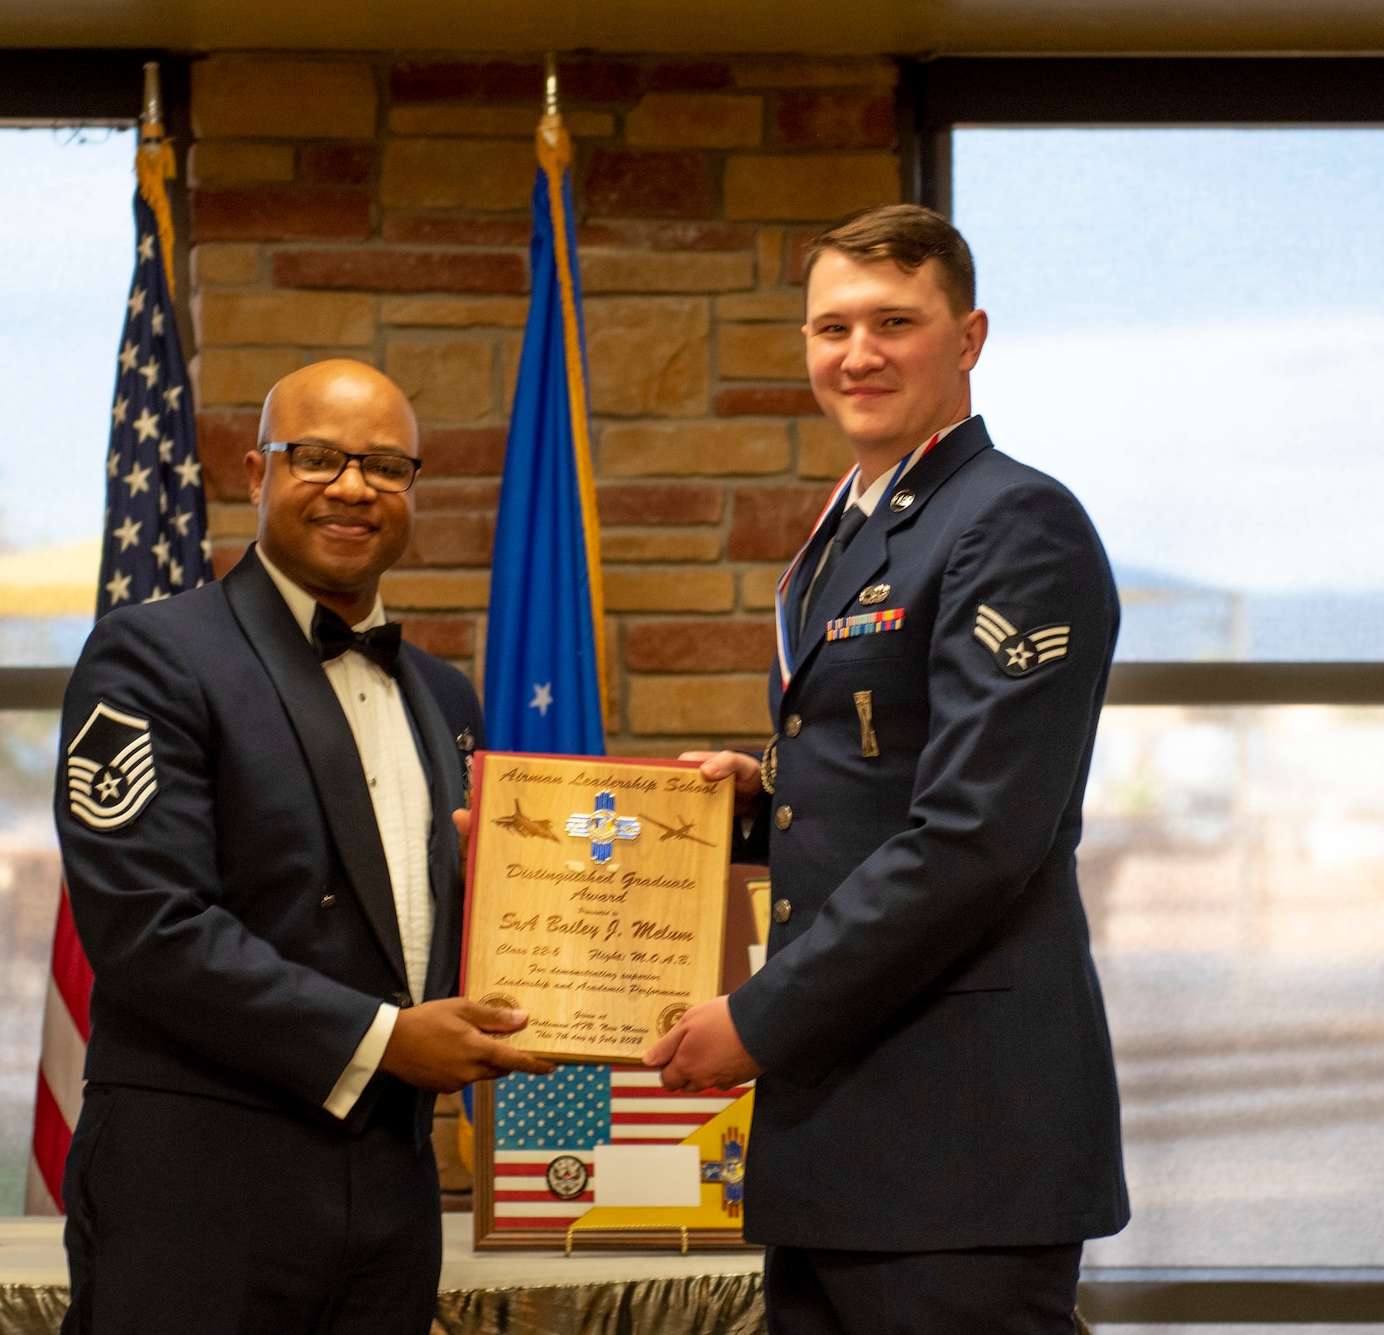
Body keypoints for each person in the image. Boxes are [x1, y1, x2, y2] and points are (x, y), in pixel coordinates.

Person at [645, 205, 1130, 1333]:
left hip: (959, 1136)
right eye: (830, 328)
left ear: (966, 338)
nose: (855, 354)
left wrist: (758, 1017)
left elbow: (975, 837)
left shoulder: (1011, 522)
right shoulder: (855, 531)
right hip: (849, 1126)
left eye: (892, 322)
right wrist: (764, 806)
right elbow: (888, 780)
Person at [55, 360, 553, 1335]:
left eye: (384, 466)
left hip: (390, 1189)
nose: (353, 487)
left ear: (412, 488)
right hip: (201, 1187)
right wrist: (385, 1041)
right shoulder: (152, 655)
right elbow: (147, 929)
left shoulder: (445, 696)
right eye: (317, 458)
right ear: (254, 473)